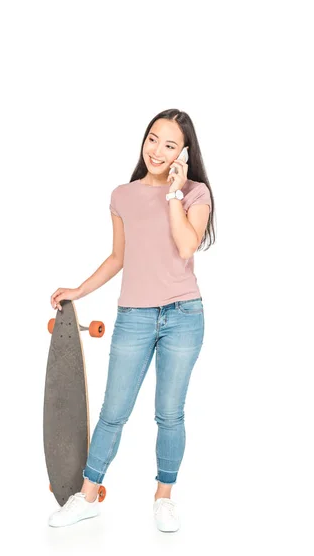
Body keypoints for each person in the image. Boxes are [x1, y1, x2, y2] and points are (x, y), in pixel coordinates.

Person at [48, 108, 216, 532]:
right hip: (134, 317)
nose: (158, 150)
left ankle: (164, 497)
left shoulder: (196, 194)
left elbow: (184, 247)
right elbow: (119, 258)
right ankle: (87, 497)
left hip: (184, 316)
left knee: (169, 414)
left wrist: (174, 194)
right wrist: (78, 290)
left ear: (185, 153)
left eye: (170, 145)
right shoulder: (122, 195)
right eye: (153, 139)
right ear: (145, 140)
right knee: (113, 411)